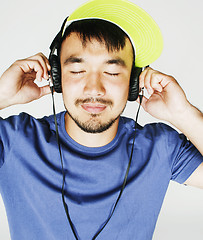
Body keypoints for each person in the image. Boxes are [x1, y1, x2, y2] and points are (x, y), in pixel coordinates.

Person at [0, 0, 202, 239]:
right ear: (56, 77)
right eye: (76, 71)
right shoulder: (14, 140)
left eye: (113, 72)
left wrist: (183, 113)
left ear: (133, 83)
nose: (94, 88)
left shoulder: (161, 147)